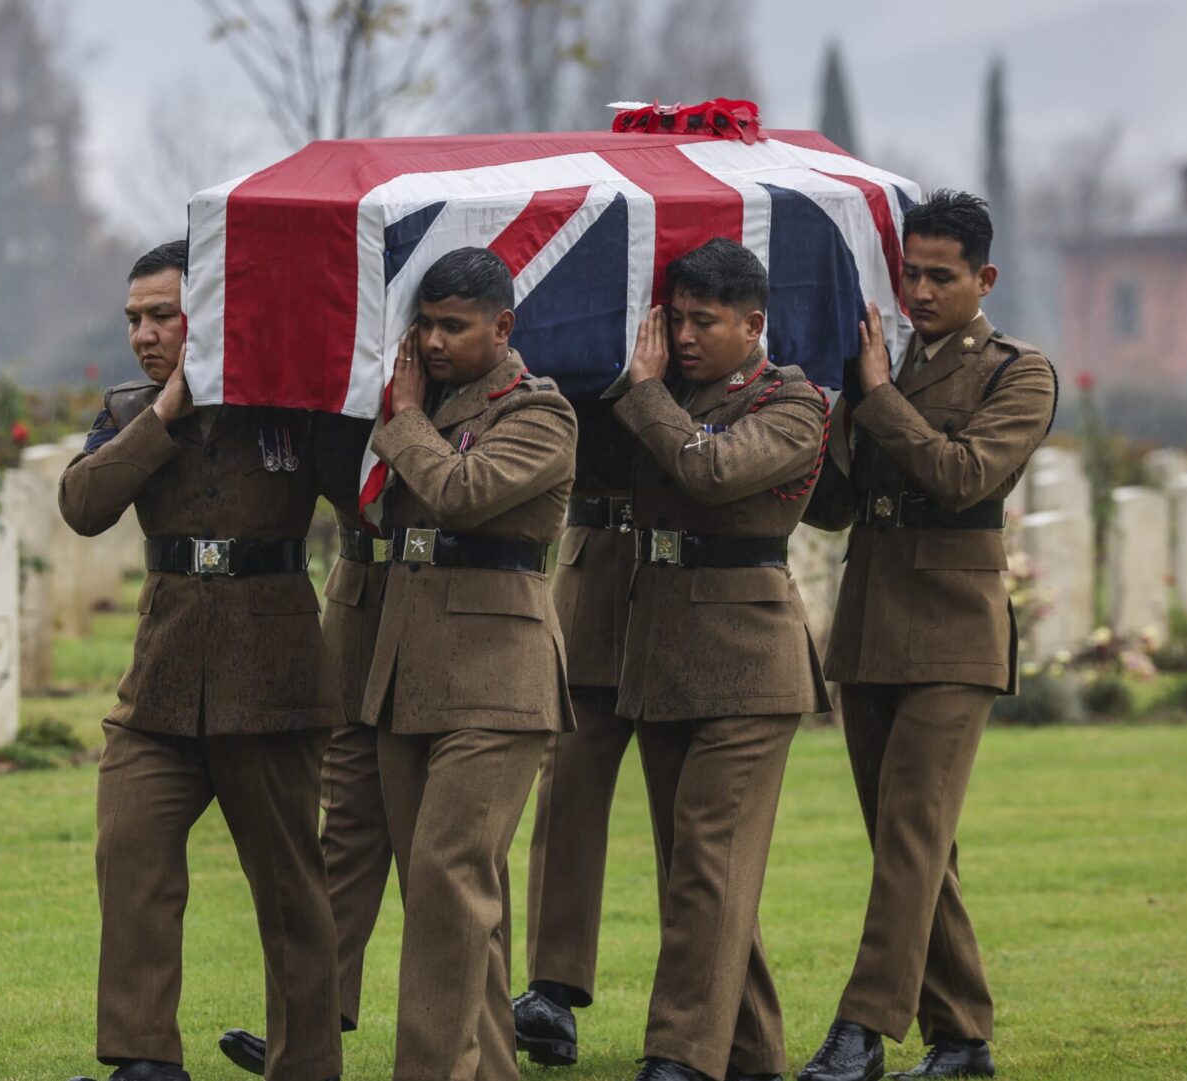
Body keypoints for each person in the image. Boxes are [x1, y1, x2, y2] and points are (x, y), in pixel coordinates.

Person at [59, 240, 358, 1081]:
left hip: (273, 683)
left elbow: (368, 492)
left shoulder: (289, 406)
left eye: (164, 315)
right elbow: (82, 505)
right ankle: (145, 1059)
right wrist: (165, 415)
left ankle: (305, 1065)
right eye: (134, 319)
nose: (145, 335)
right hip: (160, 686)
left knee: (291, 890)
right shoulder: (128, 409)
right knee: (131, 849)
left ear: (214, 315)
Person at [796, 190, 1057, 1081]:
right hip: (871, 620)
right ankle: (963, 1037)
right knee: (912, 841)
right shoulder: (884, 360)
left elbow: (965, 473)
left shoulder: (1018, 372)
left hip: (953, 628)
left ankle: (861, 1031)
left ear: (984, 278)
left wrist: (875, 395)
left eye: (941, 276)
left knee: (912, 829)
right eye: (910, 272)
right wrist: (829, 402)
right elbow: (835, 508)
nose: (919, 290)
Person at [513, 340, 788, 1081]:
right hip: (598, 563)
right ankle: (552, 985)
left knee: (704, 841)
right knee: (566, 781)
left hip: (682, 584)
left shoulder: (735, 385)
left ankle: (740, 1039)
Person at [601, 238, 831, 1081]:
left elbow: (712, 467)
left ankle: (679, 1057)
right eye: (676, 318)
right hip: (663, 649)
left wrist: (648, 392)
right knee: (702, 874)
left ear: (753, 323)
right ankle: (752, 1056)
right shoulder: (667, 395)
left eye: (704, 320)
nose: (685, 335)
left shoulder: (794, 399)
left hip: (746, 659)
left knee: (708, 866)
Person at [364, 246, 577, 1081]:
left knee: (451, 881)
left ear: (503, 326)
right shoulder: (418, 402)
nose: (436, 340)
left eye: (454, 325)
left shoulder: (541, 413)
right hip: (410, 669)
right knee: (448, 902)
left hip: (500, 675)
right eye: (425, 324)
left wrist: (407, 416)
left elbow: (461, 491)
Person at [219, 511, 393, 1075]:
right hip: (361, 601)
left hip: (450, 599)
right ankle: (308, 1028)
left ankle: (480, 1030)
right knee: (343, 821)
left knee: (455, 843)